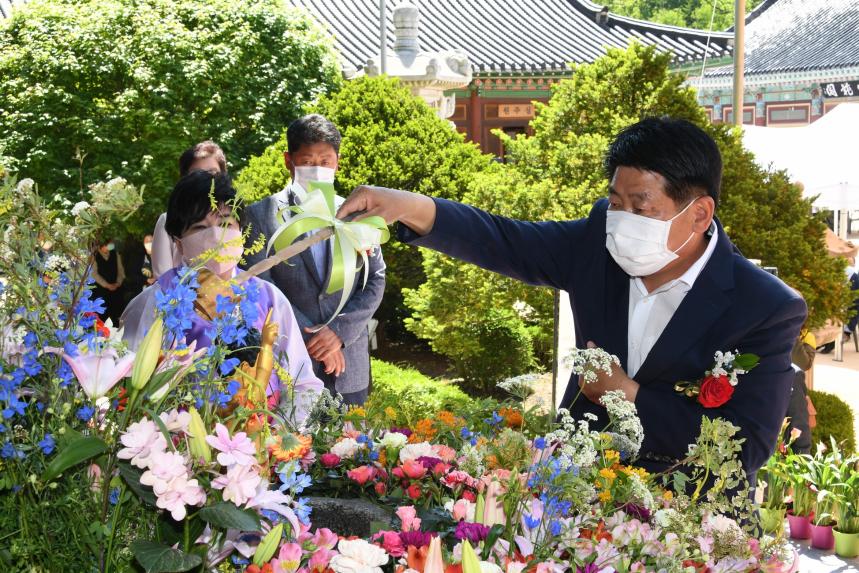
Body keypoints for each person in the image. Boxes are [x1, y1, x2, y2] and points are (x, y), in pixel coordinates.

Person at [338, 117, 806, 483]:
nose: (622, 219)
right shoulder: (597, 243)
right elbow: (506, 240)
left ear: (699, 213)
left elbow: (745, 448)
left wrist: (628, 396)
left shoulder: (763, 306)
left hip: (690, 522)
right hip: (576, 496)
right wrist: (408, 206)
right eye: (616, 201)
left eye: (641, 206)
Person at [122, 171, 323, 426]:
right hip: (176, 445)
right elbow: (133, 384)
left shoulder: (268, 297)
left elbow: (303, 383)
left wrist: (277, 436)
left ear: (242, 232)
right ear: (179, 243)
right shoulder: (157, 300)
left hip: (260, 441)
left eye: (226, 223)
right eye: (200, 228)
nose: (216, 236)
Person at [242, 114, 385, 406]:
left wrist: (338, 333)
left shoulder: (358, 214)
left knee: (352, 448)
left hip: (349, 363)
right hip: (289, 362)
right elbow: (260, 285)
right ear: (289, 161)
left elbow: (375, 279)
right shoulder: (260, 215)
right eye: (307, 162)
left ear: (338, 162)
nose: (317, 169)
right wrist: (314, 337)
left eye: (325, 161)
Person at [150, 141, 228, 279]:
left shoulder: (232, 219)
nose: (205, 179)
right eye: (196, 173)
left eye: (212, 173)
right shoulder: (166, 220)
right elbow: (162, 275)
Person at [91, 240, 125, 324]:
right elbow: (94, 274)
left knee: (116, 313)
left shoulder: (115, 254)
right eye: (108, 245)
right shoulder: (94, 256)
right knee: (103, 315)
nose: (110, 247)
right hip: (101, 290)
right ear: (102, 245)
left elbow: (121, 270)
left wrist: (118, 282)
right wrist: (107, 285)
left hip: (115, 289)